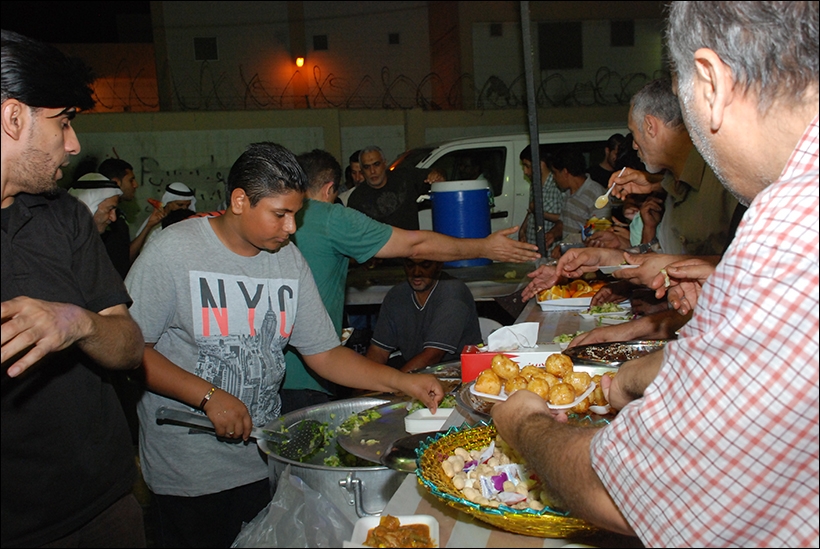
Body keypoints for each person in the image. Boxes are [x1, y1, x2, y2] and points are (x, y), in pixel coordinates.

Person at [492, 2, 819, 547]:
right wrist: (629, 377)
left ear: (710, 81)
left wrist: (524, 423)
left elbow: (627, 492)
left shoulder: (788, 228)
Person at [124, 142, 444, 548]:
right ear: (240, 201)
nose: (291, 227)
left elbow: (325, 354)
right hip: (192, 473)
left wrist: (402, 382)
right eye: (280, 214)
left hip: (263, 460)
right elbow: (130, 350)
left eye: (296, 213)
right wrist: (207, 396)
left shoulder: (287, 260)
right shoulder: (173, 251)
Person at [1, 29, 146, 548]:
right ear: (13, 117)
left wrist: (78, 322)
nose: (74, 144)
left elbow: (130, 348)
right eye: (63, 122)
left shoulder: (65, 217)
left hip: (107, 504)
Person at [281, 149, 539, 413]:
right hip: (308, 378)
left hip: (271, 374)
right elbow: (416, 245)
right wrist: (485, 247)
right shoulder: (330, 217)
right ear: (329, 189)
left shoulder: (278, 221)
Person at [608, 78, 739, 256]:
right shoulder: (673, 185)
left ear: (650, 126)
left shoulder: (727, 179)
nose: (634, 145)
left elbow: (746, 263)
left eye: (633, 133)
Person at [366, 258, 482, 373]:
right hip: (415, 370)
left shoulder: (453, 294)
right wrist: (366, 381)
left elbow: (432, 356)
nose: (416, 272)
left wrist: (396, 382)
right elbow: (378, 350)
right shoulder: (397, 295)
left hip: (458, 373)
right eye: (410, 265)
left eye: (425, 265)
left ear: (438, 265)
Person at [346, 145, 444, 230]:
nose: (372, 171)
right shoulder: (356, 199)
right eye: (367, 167)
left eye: (376, 164)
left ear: (384, 163)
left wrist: (437, 175)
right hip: (380, 246)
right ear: (362, 170)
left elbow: (438, 176)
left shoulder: (405, 177)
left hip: (410, 244)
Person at [98, 157, 164, 277]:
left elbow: (125, 258)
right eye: (131, 180)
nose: (135, 185)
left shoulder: (119, 217)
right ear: (116, 182)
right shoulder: (98, 217)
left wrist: (149, 225)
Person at [548, 145, 611, 242]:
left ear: (565, 172)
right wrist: (552, 234)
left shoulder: (597, 194)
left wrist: (566, 245)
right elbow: (564, 222)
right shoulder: (568, 193)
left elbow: (598, 232)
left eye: (555, 173)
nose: (553, 178)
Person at [517, 144, 564, 253]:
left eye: (527, 166)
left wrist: (539, 212)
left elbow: (567, 219)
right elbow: (531, 210)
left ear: (540, 164)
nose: (525, 171)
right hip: (533, 246)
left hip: (551, 250)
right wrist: (523, 229)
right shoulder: (534, 184)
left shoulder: (559, 185)